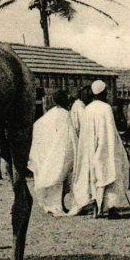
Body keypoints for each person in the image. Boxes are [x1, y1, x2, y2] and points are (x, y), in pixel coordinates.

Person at [69, 80, 130, 218]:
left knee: (93, 177)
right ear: (103, 93)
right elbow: (110, 131)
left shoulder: (88, 109)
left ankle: (96, 207)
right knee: (110, 174)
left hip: (90, 150)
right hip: (106, 147)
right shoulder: (106, 108)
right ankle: (111, 209)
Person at [28, 89, 77, 217]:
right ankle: (58, 205)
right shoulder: (65, 114)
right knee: (60, 179)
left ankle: (52, 205)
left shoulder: (50, 114)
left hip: (51, 151)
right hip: (62, 151)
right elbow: (69, 135)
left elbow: (38, 127)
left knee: (54, 178)